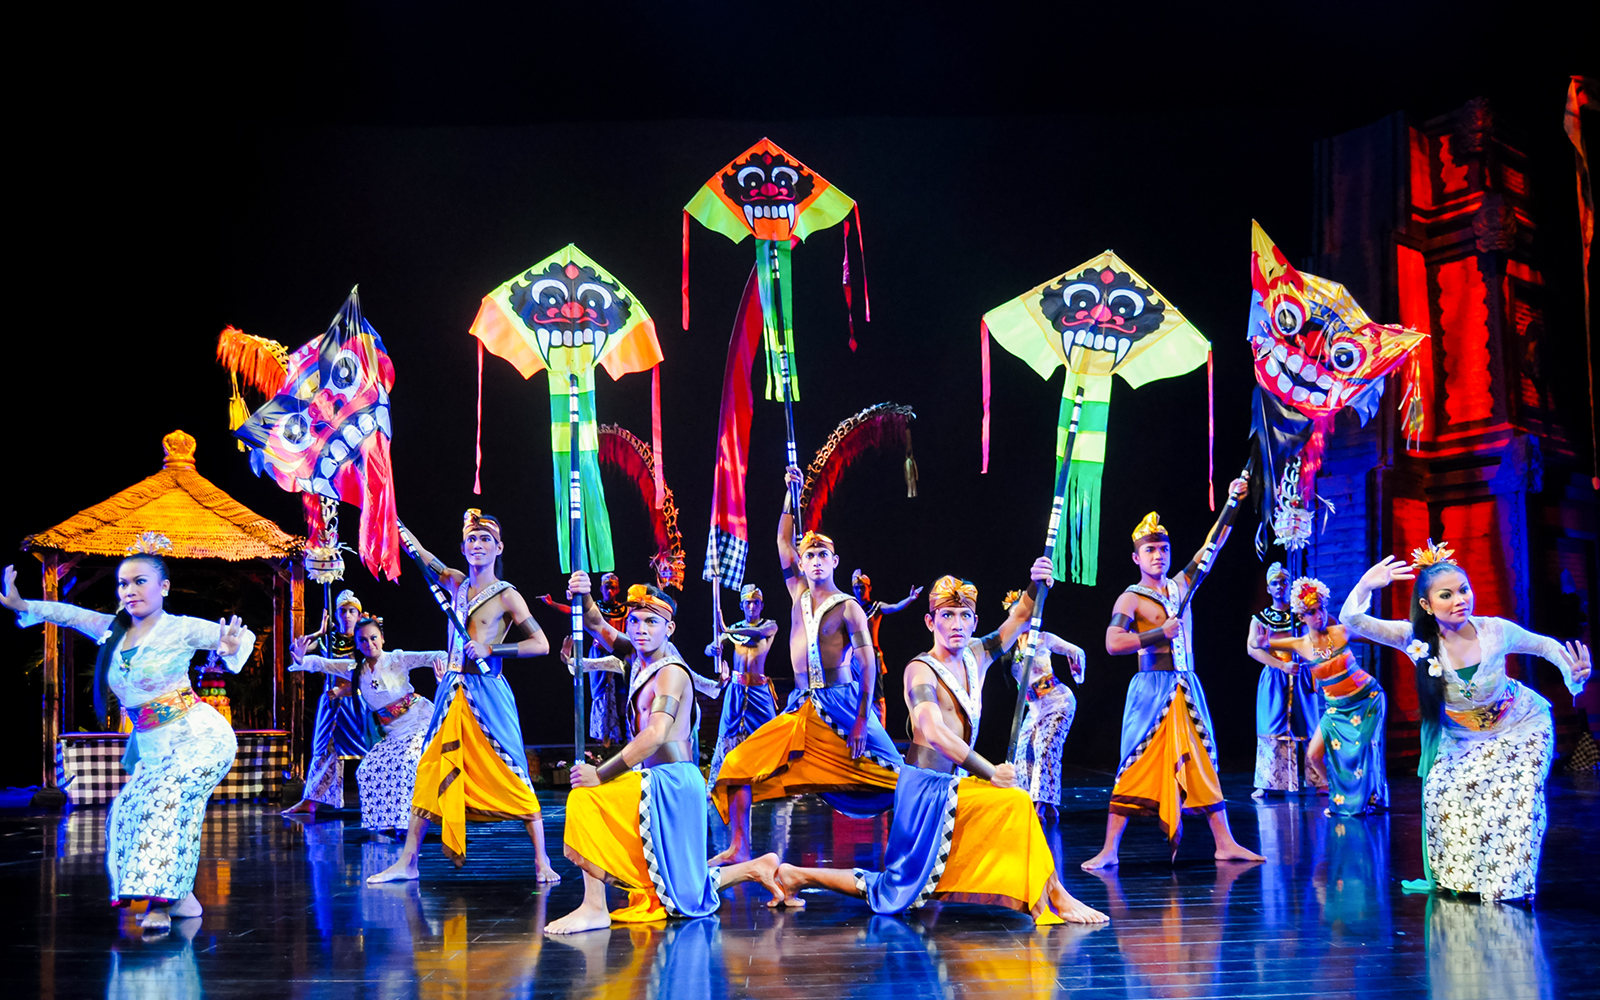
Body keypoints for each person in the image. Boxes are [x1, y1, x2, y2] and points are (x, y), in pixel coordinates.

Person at [773, 571, 1107, 924]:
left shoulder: (977, 654)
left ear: (975, 621)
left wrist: (1037, 583)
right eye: (947, 615)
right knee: (893, 888)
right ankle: (1057, 899)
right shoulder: (920, 671)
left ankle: (1054, 897)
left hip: (953, 786)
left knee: (1010, 808)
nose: (957, 624)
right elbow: (933, 731)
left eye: (964, 615)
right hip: (926, 793)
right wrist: (990, 772)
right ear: (930, 621)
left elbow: (1021, 616)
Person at [3, 552, 252, 933]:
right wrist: (23, 605)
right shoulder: (112, 631)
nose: (129, 590)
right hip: (155, 745)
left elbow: (239, 637)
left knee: (163, 802)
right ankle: (183, 898)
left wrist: (231, 651)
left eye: (140, 581)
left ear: (164, 587)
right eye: (123, 583)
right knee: (126, 812)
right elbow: (69, 614)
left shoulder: (180, 628)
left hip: (199, 737)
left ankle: (160, 902)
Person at [1339, 541, 1591, 901]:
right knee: (1443, 797)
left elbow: (1545, 647)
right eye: (1447, 595)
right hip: (1463, 738)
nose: (1460, 600)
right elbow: (1352, 620)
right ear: (1426, 605)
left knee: (1516, 800)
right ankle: (1466, 879)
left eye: (1464, 590)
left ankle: (1507, 886)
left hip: (1520, 726)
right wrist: (1365, 585)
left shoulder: (1494, 631)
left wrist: (1574, 675)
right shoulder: (1413, 638)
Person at [545, 574, 783, 932]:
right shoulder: (635, 656)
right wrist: (585, 594)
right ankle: (755, 867)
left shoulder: (670, 672)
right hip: (653, 777)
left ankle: (594, 907)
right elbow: (596, 624)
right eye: (634, 621)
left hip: (672, 781)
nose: (641, 629)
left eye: (651, 622)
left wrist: (601, 773)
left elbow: (656, 734)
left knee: (585, 797)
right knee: (680, 884)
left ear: (669, 628)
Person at [709, 467, 904, 864]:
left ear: (834, 561)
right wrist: (790, 492)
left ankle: (913, 849)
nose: (815, 561)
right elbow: (782, 539)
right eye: (809, 555)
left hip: (843, 704)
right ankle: (738, 847)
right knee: (737, 764)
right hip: (801, 707)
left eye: (822, 556)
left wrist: (862, 720)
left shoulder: (849, 607)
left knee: (902, 779)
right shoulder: (797, 592)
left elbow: (868, 665)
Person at [1081, 484, 1266, 870]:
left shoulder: (1182, 585)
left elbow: (1212, 546)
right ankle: (1110, 849)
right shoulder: (1130, 598)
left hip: (1186, 687)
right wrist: (1158, 634)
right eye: (1150, 550)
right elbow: (1113, 643)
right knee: (1134, 763)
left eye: (1163, 549)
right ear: (1137, 557)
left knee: (1202, 760)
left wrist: (1232, 502)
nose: (1158, 555)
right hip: (1151, 689)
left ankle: (1225, 843)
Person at [368, 510, 558, 884]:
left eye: (486, 539)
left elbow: (541, 644)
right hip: (451, 692)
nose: (478, 544)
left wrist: (492, 650)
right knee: (430, 769)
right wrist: (391, 516)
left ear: (498, 547)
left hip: (487, 692)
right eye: (472, 539)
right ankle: (408, 862)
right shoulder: (454, 582)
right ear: (463, 547)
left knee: (512, 769)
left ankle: (542, 861)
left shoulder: (507, 595)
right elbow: (418, 552)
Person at [290, 618, 446, 834]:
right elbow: (322, 663)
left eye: (373, 638)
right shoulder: (356, 670)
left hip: (419, 722)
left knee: (406, 763)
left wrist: (445, 672)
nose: (369, 643)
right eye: (363, 640)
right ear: (357, 643)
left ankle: (407, 824)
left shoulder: (397, 659)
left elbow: (436, 656)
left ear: (382, 639)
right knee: (368, 769)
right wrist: (300, 659)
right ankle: (385, 823)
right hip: (393, 732)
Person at [1253, 576, 1387, 816]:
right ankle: (1340, 794)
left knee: (1365, 748)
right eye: (1312, 612)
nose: (1319, 615)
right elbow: (1259, 645)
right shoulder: (1299, 644)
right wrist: (1262, 642)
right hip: (1336, 708)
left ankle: (1372, 797)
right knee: (1314, 755)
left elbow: (1379, 637)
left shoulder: (1340, 632)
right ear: (1301, 617)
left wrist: (1405, 634)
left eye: (1322, 609)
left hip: (1366, 699)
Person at [284, 590, 375, 816]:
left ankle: (379, 799)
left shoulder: (366, 639)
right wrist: (319, 633)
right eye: (342, 611)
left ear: (359, 615)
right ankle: (312, 800)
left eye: (351, 611)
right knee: (322, 749)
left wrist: (345, 689)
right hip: (332, 704)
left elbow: (371, 670)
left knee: (373, 751)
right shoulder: (328, 640)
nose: (347, 616)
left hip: (360, 702)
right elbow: (297, 651)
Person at [1002, 589, 1087, 823]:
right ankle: (1034, 801)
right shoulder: (1009, 649)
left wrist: (1077, 671)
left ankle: (1040, 804)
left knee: (1046, 748)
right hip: (1034, 710)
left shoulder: (1043, 639)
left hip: (1058, 703)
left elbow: (1076, 651)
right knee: (1022, 753)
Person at [1247, 563, 1322, 798]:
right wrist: (1281, 665)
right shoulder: (1260, 619)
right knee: (1272, 727)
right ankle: (1269, 782)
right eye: (1274, 583)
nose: (1279, 586)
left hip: (1301, 675)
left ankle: (1319, 779)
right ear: (1268, 588)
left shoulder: (1301, 615)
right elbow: (1252, 649)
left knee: (1309, 726)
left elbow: (1316, 641)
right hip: (1275, 676)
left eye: (1283, 582)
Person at [704, 584, 781, 786]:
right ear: (741, 606)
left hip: (759, 690)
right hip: (736, 689)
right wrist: (713, 649)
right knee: (728, 731)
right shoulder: (734, 629)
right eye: (748, 603)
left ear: (762, 605)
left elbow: (758, 633)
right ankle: (725, 780)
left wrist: (727, 630)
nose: (752, 607)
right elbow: (710, 647)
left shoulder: (769, 626)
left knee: (769, 732)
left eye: (756, 602)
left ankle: (770, 782)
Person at [539, 572, 627, 746]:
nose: (610, 591)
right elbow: (572, 611)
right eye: (607, 587)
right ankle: (603, 738)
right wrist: (552, 603)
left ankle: (621, 737)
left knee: (621, 694)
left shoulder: (625, 609)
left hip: (620, 654)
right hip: (599, 653)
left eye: (613, 587)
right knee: (601, 694)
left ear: (618, 590)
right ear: (601, 589)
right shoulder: (594, 607)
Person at [850, 569, 924, 725]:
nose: (859, 591)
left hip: (872, 655)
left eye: (862, 587)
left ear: (869, 588)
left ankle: (880, 726)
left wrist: (910, 599)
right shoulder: (852, 608)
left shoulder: (876, 607)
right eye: (856, 587)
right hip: (854, 657)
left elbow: (895, 607)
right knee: (855, 690)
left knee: (876, 692)